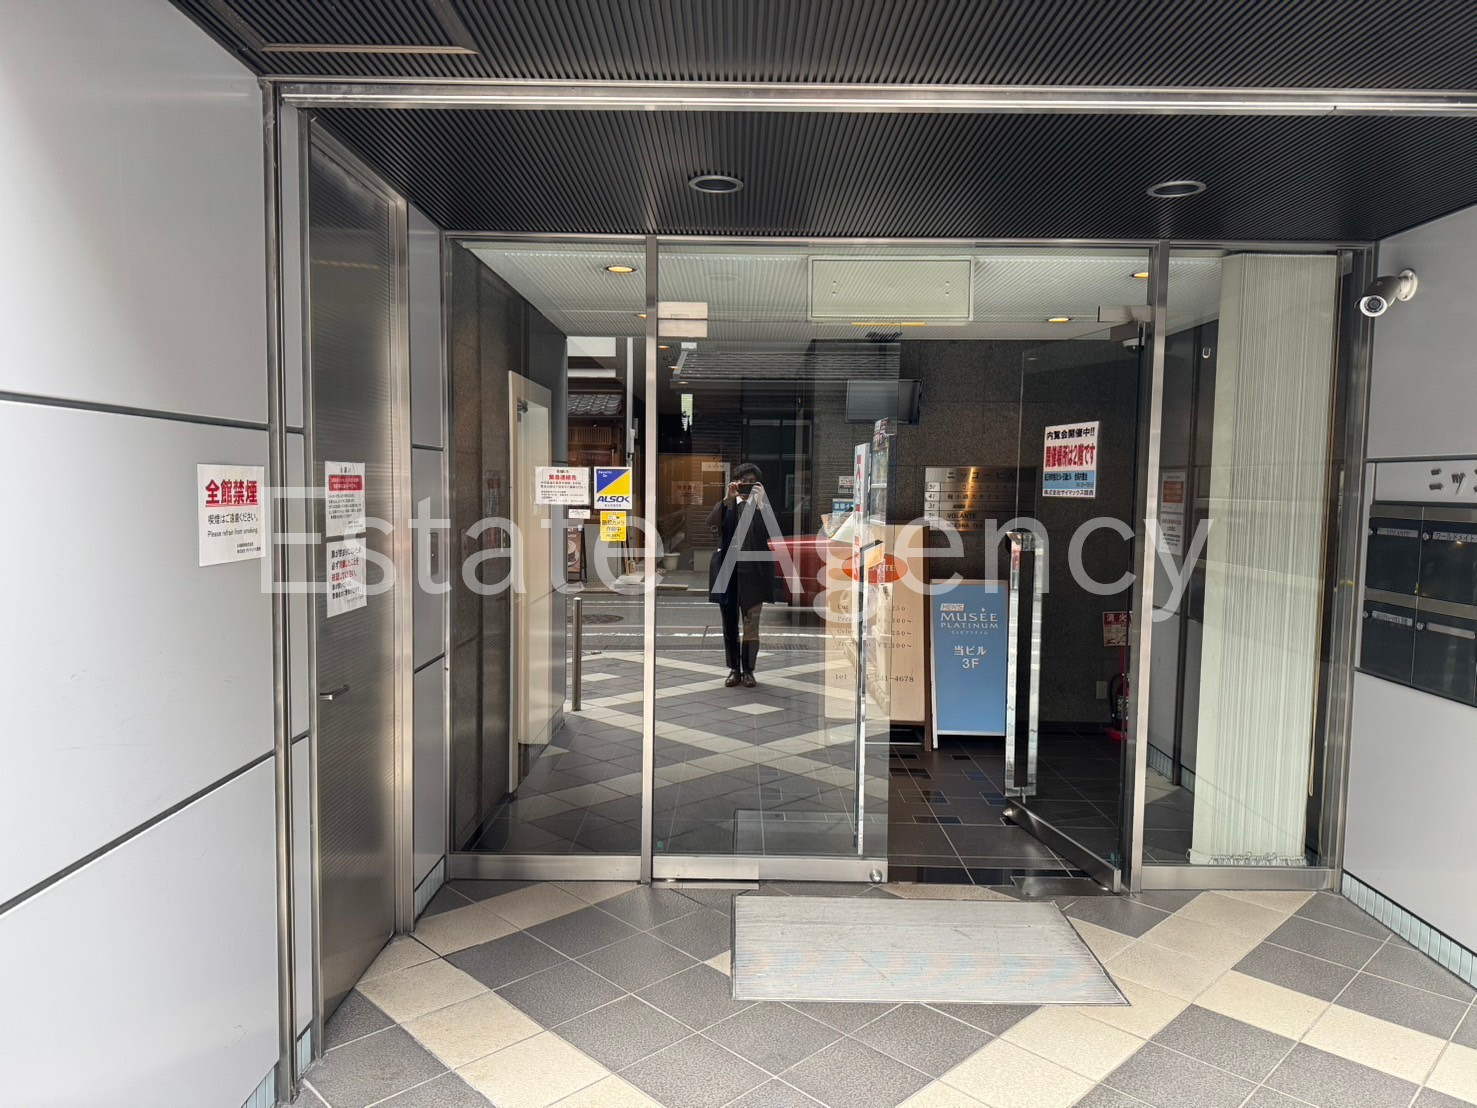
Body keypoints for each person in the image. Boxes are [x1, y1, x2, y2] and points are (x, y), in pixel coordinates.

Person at [707, 462, 777, 688]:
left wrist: (762, 502)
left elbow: (772, 531)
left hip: (753, 576)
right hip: (728, 575)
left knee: (751, 625)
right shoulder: (728, 505)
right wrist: (727, 500)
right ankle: (734, 670)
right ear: (735, 482)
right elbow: (711, 523)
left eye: (751, 482)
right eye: (743, 481)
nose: (746, 485)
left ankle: (749, 671)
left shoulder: (760, 506)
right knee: (729, 625)